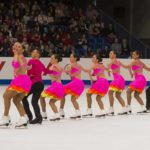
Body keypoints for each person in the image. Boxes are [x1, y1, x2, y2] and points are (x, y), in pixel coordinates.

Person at [0, 42, 32, 127]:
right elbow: (25, 67)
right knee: (16, 100)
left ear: (22, 49)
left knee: (6, 96)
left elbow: (20, 66)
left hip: (20, 81)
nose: (16, 47)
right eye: (15, 46)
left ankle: (5, 118)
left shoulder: (19, 56)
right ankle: (24, 117)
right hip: (23, 80)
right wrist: (27, 67)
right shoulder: (18, 56)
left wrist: (20, 66)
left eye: (19, 46)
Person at [59, 53, 88, 119]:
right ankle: (78, 112)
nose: (70, 58)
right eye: (70, 57)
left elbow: (67, 71)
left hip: (75, 82)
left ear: (75, 58)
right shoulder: (79, 65)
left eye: (71, 57)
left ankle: (61, 110)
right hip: (81, 84)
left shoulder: (70, 65)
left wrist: (61, 69)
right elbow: (86, 71)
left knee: (62, 93)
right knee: (73, 99)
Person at [22, 49, 46, 124]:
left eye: (34, 52)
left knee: (23, 97)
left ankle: (29, 116)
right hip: (40, 85)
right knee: (34, 101)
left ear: (38, 54)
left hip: (34, 84)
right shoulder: (41, 63)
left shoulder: (31, 61)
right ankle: (39, 118)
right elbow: (45, 71)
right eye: (32, 52)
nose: (32, 53)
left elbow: (29, 74)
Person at [40, 54, 65, 121]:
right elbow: (60, 72)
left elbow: (55, 75)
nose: (50, 59)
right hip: (59, 86)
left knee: (42, 97)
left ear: (56, 59)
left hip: (56, 86)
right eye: (50, 58)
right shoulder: (59, 66)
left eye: (52, 58)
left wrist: (46, 70)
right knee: (51, 102)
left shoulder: (54, 66)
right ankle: (56, 115)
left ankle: (44, 113)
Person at [107, 50, 127, 115]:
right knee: (117, 95)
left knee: (110, 93)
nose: (110, 54)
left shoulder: (113, 60)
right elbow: (125, 67)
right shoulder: (118, 61)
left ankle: (111, 109)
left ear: (115, 55)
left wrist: (109, 71)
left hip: (117, 79)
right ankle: (124, 109)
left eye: (111, 53)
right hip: (120, 79)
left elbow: (108, 65)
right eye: (109, 53)